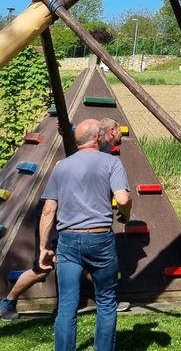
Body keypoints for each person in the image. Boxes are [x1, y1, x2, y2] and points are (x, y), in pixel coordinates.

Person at [1, 120, 130, 321]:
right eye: (119, 131)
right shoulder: (98, 144)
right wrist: (68, 129)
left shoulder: (104, 151)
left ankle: (107, 299)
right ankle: (8, 302)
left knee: (85, 263)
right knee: (42, 268)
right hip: (54, 214)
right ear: (109, 132)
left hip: (72, 215)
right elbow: (77, 137)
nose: (122, 134)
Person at [38, 118, 132, 351]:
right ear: (99, 137)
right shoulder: (112, 162)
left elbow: (49, 210)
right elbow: (123, 199)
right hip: (100, 239)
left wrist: (43, 247)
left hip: (68, 240)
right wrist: (126, 215)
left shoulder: (61, 166)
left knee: (67, 306)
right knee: (106, 302)